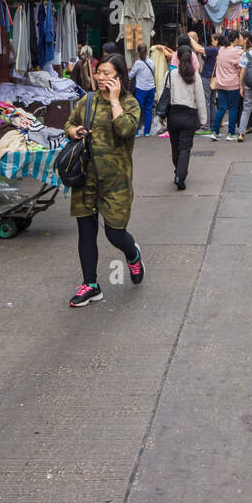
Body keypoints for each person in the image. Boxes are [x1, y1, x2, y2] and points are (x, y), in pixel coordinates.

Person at [63, 53, 143, 306]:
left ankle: (132, 254)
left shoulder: (129, 103)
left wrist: (115, 100)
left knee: (115, 233)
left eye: (107, 73)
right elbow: (69, 124)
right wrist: (73, 131)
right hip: (85, 178)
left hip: (116, 182)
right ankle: (91, 285)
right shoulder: (87, 101)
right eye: (99, 72)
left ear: (119, 76)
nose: (101, 77)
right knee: (86, 232)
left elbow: (126, 129)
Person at [166, 44, 208, 189]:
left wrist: (162, 116)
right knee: (185, 148)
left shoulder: (170, 75)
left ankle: (178, 171)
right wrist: (203, 119)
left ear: (177, 58)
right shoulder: (195, 76)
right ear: (191, 58)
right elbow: (200, 99)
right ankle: (180, 175)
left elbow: (163, 95)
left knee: (175, 147)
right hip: (189, 115)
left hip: (173, 115)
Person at [211, 30, 244, 140]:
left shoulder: (221, 50)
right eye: (239, 38)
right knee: (233, 109)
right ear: (235, 40)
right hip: (232, 84)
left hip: (220, 84)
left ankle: (215, 132)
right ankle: (231, 133)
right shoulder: (237, 52)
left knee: (221, 108)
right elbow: (241, 68)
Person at [128, 43, 156, 137]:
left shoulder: (138, 63)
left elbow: (130, 76)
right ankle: (147, 132)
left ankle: (136, 132)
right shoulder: (152, 62)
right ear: (147, 51)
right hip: (151, 88)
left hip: (141, 90)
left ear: (138, 52)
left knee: (138, 110)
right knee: (148, 110)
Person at [200, 31, 220, 134]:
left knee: (207, 102)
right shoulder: (220, 50)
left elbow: (198, 49)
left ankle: (207, 125)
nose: (211, 42)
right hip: (215, 78)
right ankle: (213, 124)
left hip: (207, 77)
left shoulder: (213, 49)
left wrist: (191, 40)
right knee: (212, 101)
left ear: (217, 41)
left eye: (212, 40)